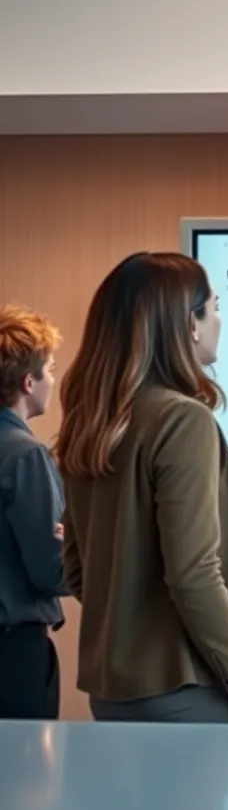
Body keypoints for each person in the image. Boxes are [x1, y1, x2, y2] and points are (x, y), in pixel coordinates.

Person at [54, 252, 228, 725]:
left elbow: (79, 571)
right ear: (189, 325)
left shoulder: (91, 424)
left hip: (116, 693)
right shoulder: (182, 419)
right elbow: (194, 573)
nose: (219, 321)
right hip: (191, 691)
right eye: (214, 308)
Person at [0, 305, 67, 719]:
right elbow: (52, 570)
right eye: (51, 370)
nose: (53, 381)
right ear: (29, 382)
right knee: (20, 781)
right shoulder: (26, 457)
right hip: (14, 657)